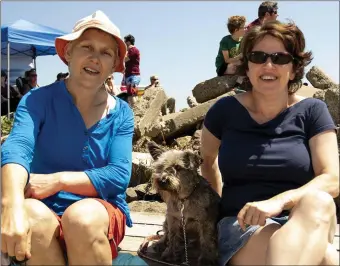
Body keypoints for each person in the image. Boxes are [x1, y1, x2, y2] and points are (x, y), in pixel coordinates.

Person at [1, 10, 134, 266]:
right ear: (69, 53)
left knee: (81, 218)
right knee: (30, 215)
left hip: (99, 212)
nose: (95, 58)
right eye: (86, 47)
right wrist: (11, 204)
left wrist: (57, 181)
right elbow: (18, 147)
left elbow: (118, 174)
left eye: (106, 52)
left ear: (113, 65)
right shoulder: (37, 100)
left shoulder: (121, 113)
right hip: (42, 206)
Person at [201, 20, 339, 266]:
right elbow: (207, 161)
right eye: (258, 56)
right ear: (247, 66)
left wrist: (279, 202)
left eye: (280, 58)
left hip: (305, 217)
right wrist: (218, 205)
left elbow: (332, 179)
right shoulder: (224, 111)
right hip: (244, 225)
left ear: (295, 68)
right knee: (326, 259)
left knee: (318, 200)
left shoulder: (313, 111)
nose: (268, 65)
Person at [121, 34, 141, 107]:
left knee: (133, 95)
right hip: (130, 75)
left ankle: (136, 111)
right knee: (130, 95)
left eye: (124, 42)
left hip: (133, 76)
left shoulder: (133, 50)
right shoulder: (130, 51)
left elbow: (125, 59)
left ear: (128, 42)